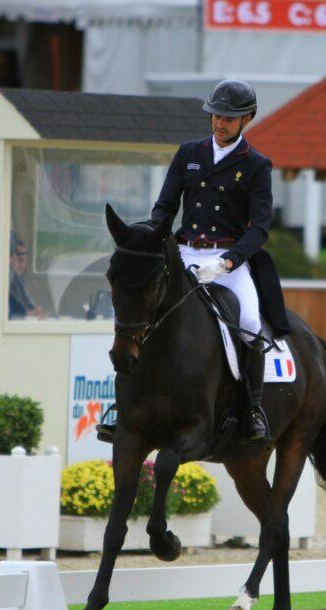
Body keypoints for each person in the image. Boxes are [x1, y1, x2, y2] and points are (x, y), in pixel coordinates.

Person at [99, 79, 291, 447]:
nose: (220, 124)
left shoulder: (255, 165)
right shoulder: (189, 152)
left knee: (250, 321)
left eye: (229, 119)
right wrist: (152, 235)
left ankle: (253, 411)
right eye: (217, 116)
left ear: (246, 119)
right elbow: (166, 206)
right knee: (143, 313)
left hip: (228, 259)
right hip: (184, 252)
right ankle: (121, 406)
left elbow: (261, 227)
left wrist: (229, 262)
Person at [8, 239, 43, 318]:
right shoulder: (5, 280)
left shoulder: (21, 281)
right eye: (18, 260)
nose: (21, 265)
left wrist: (34, 310)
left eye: (23, 260)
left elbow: (29, 305)